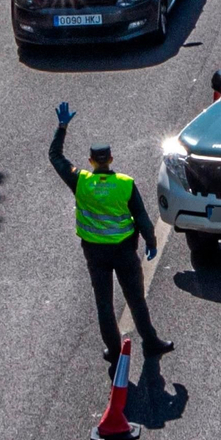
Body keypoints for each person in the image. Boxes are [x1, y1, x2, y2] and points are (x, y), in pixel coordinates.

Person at [48, 103, 174, 365]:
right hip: (125, 252)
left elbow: (55, 156)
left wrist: (62, 127)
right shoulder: (125, 184)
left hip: (95, 254)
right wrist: (151, 242)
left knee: (104, 304)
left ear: (91, 161)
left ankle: (114, 351)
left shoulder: (81, 181)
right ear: (112, 159)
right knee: (135, 299)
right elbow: (141, 217)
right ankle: (151, 342)